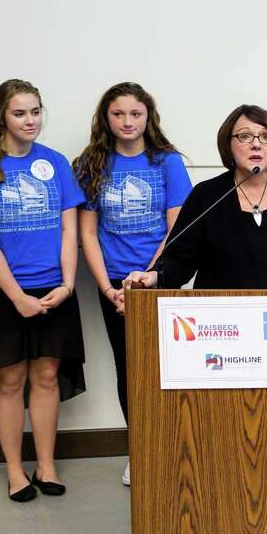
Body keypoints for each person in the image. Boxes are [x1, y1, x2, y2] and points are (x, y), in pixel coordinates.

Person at [0, 79, 86, 502]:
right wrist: (17, 298)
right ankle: (15, 471)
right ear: (1, 117)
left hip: (53, 289)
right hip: (1, 292)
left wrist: (67, 284)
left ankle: (46, 464)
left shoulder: (56, 163)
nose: (30, 121)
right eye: (19, 113)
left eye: (35, 112)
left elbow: (70, 229)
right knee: (9, 380)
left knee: (46, 376)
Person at [72, 82, 192, 487]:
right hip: (113, 288)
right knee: (129, 369)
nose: (127, 121)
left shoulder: (168, 162)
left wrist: (147, 281)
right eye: (118, 114)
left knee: (167, 370)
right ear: (106, 118)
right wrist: (110, 288)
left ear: (148, 117)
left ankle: (174, 449)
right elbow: (88, 233)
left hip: (159, 283)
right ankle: (139, 450)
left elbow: (177, 228)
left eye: (135, 114)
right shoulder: (91, 163)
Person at [121, 104, 267, 293]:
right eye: (245, 136)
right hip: (222, 327)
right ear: (229, 144)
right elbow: (179, 260)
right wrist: (153, 276)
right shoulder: (208, 195)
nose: (256, 144)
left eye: (266, 137)